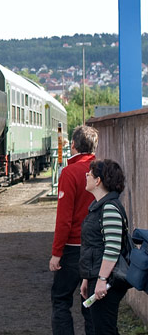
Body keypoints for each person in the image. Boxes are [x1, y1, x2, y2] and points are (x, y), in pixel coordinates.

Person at [50, 125, 99, 335]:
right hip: (96, 248)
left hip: (72, 248)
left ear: (73, 145)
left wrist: (56, 253)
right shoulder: (101, 170)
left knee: (61, 300)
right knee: (90, 304)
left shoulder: (69, 173)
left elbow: (64, 219)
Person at [79, 159, 130, 335]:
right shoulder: (99, 207)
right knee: (99, 327)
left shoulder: (109, 208)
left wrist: (101, 280)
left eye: (90, 173)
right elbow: (93, 245)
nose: (86, 175)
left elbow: (112, 248)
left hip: (107, 280)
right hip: (97, 276)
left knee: (104, 329)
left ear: (98, 181)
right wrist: (87, 279)